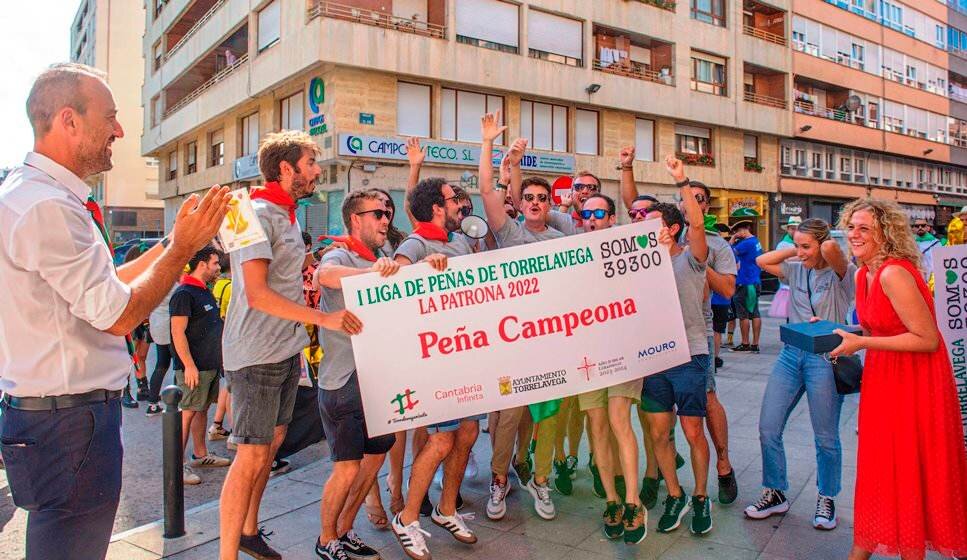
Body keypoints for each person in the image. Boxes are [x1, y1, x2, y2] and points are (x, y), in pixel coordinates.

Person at [0, 62, 229, 560]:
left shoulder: (39, 197)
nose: (120, 131)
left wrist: (176, 242)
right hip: (69, 423)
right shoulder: (46, 207)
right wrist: (179, 249)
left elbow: (108, 283)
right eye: (111, 116)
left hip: (64, 419)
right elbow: (119, 315)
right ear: (69, 121)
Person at [218, 130, 361, 560]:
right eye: (311, 164)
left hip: (284, 350)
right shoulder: (255, 212)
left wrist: (325, 261)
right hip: (256, 353)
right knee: (250, 457)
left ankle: (248, 530)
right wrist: (324, 318)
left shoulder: (288, 213)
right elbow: (258, 294)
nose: (318, 171)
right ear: (286, 169)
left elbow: (287, 268)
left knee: (270, 447)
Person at [831, 199, 967, 560]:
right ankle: (864, 546)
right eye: (851, 226)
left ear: (885, 233)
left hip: (916, 382)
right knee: (880, 466)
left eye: (864, 228)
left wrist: (861, 342)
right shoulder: (863, 273)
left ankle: (908, 548)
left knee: (908, 467)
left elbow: (927, 340)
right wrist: (844, 332)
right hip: (885, 378)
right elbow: (882, 324)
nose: (854, 234)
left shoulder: (893, 272)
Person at [390, 171, 481, 560]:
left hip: (465, 353)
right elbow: (392, 285)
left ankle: (446, 509)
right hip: (434, 358)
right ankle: (407, 518)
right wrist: (422, 269)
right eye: (451, 199)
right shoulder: (416, 243)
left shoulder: (459, 240)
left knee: (468, 433)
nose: (459, 204)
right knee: (442, 438)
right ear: (435, 207)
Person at [478, 125, 562, 523]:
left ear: (550, 204)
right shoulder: (508, 233)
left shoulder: (566, 239)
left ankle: (535, 476)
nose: (533, 202)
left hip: (550, 344)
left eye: (541, 198)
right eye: (526, 197)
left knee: (538, 416)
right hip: (511, 344)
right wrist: (491, 146)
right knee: (509, 415)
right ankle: (499, 479)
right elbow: (487, 192)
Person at [747, 219, 854, 530]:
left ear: (821, 244)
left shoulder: (841, 275)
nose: (801, 252)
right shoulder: (796, 269)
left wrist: (817, 245)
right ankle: (776, 491)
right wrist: (799, 248)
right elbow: (761, 261)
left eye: (808, 246)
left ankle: (827, 496)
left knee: (826, 437)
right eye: (798, 246)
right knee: (768, 427)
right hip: (790, 354)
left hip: (825, 357)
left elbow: (834, 249)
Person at [312, 190, 400, 560]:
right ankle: (326, 539)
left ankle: (345, 530)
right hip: (344, 380)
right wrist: (368, 273)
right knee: (346, 469)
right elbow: (324, 275)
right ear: (355, 219)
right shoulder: (341, 254)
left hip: (377, 380)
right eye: (378, 214)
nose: (385, 221)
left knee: (375, 458)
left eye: (388, 214)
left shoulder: (382, 257)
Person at [641, 155, 714, 536]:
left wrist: (682, 182)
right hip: (654, 360)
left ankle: (701, 497)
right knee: (657, 434)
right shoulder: (637, 267)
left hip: (690, 356)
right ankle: (675, 493)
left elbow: (697, 224)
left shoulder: (691, 261)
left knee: (692, 432)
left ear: (670, 229)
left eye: (653, 225)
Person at [170, 245, 232, 485]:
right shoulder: (184, 293)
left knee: (201, 409)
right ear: (203, 264)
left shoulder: (203, 290)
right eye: (215, 263)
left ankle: (200, 454)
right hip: (194, 368)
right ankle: (176, 466)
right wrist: (189, 366)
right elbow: (178, 332)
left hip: (208, 365)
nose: (218, 268)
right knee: (187, 413)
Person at [730, 221, 763, 353]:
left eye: (736, 232)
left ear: (743, 231)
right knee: (755, 312)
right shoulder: (756, 241)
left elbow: (728, 252)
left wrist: (732, 240)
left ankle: (745, 343)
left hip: (745, 281)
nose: (735, 234)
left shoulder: (745, 243)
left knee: (743, 314)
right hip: (755, 280)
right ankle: (755, 344)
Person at [145, 285, 176, 416]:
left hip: (157, 326)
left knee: (161, 364)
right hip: (170, 327)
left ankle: (152, 404)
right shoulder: (173, 284)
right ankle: (176, 401)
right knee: (179, 366)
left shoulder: (156, 282)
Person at [769, 216, 802, 320]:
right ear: (788, 229)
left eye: (797, 228)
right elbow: (780, 262)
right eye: (792, 228)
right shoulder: (783, 245)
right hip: (789, 286)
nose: (795, 231)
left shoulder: (803, 242)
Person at [912, 218, 942, 282]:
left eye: (923, 225)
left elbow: (940, 262)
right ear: (913, 228)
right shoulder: (910, 243)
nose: (920, 227)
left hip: (933, 279)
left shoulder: (936, 243)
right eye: (917, 226)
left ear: (927, 228)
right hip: (917, 278)